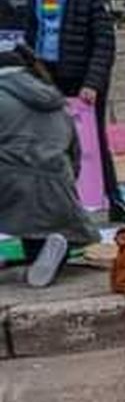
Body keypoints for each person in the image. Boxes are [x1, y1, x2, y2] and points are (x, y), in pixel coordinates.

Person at [23, 0, 125, 223]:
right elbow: (32, 32)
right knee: (49, 143)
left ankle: (113, 198)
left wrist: (93, 83)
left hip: (82, 80)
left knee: (93, 141)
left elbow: (104, 43)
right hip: (46, 74)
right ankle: (55, 204)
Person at [0, 36, 97, 288]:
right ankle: (51, 253)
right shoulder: (55, 98)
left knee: (24, 208)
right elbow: (74, 154)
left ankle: (34, 254)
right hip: (58, 183)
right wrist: (69, 185)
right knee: (47, 230)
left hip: (9, 185)